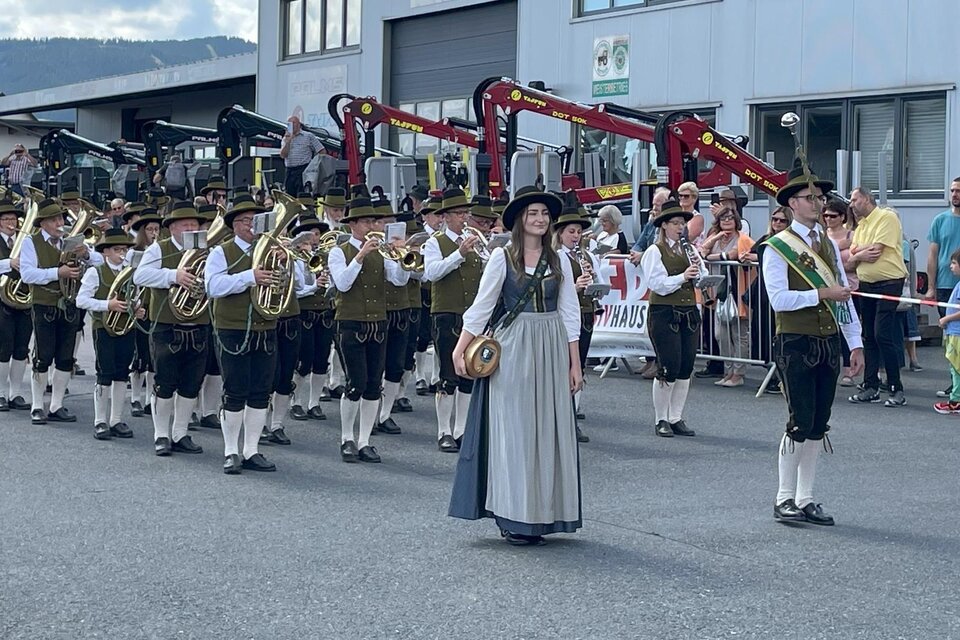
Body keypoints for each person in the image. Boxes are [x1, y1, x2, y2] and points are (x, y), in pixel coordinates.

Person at [448, 186, 582, 547]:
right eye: (532, 213)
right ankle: (513, 514)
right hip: (515, 346)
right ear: (520, 220)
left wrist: (575, 364)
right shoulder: (502, 257)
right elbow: (482, 306)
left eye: (544, 213)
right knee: (515, 433)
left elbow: (570, 313)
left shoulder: (559, 260)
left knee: (548, 431)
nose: (540, 219)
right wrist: (459, 350)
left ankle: (544, 512)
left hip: (551, 344)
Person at [763, 161, 863, 526]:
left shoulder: (828, 245)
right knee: (800, 420)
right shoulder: (777, 247)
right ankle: (783, 497)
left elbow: (844, 298)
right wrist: (821, 293)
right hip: (795, 341)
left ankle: (805, 498)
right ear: (793, 203)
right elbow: (778, 299)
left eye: (820, 197)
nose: (818, 203)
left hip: (828, 341)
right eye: (810, 197)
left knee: (820, 422)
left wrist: (855, 343)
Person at [327, 186, 408, 463]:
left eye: (373, 221)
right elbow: (342, 283)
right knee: (356, 383)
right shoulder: (338, 252)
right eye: (365, 222)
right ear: (352, 225)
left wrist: (403, 258)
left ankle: (364, 441)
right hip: (350, 323)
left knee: (374, 384)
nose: (371, 226)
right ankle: (346, 438)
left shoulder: (381, 252)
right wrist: (360, 256)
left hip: (378, 322)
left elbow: (398, 280)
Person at [205, 194, 281, 474]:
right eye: (246, 220)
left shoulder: (271, 250)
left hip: (266, 326)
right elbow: (213, 287)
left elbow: (294, 287)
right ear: (234, 225)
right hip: (232, 328)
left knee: (261, 392)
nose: (251, 225)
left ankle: (251, 449)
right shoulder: (220, 252)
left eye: (255, 220)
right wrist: (250, 277)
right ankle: (231, 451)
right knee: (235, 391)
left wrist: (285, 265)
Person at [132, 201, 208, 457]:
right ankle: (161, 434)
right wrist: (174, 276)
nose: (191, 229)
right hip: (167, 324)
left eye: (194, 225)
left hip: (198, 323)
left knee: (191, 384)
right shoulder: (158, 249)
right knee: (164, 383)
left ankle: (180, 433)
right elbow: (140, 276)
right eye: (185, 225)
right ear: (172, 228)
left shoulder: (206, 251)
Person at [19, 198, 103, 425]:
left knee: (66, 357)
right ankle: (37, 405)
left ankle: (56, 404)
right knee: (43, 356)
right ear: (43, 223)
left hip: (70, 303)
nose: (59, 223)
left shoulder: (70, 240)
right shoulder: (31, 242)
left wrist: (86, 254)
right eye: (54, 220)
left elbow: (101, 261)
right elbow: (27, 274)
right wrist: (58, 273)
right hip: (44, 303)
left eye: (60, 219)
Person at [423, 187, 483, 454]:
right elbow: (431, 273)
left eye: (465, 213)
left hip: (471, 315)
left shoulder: (475, 240)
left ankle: (461, 429)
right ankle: (443, 431)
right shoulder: (435, 242)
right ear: (446, 216)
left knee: (469, 373)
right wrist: (459, 254)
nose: (464, 218)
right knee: (448, 374)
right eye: (459, 213)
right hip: (446, 313)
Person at [641, 199, 701, 436]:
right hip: (664, 312)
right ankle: (661, 418)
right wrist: (683, 277)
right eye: (675, 223)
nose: (680, 227)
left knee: (686, 366)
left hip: (689, 311)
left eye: (682, 223)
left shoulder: (690, 249)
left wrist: (701, 275)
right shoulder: (654, 251)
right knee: (668, 366)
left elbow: (701, 275)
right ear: (664, 225)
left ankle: (676, 416)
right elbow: (657, 284)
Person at [76, 228, 142, 440]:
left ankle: (116, 419)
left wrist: (138, 309)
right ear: (105, 252)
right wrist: (108, 305)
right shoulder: (95, 272)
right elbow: (81, 300)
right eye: (117, 249)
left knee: (122, 372)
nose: (121, 253)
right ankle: (100, 421)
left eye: (124, 249)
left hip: (127, 327)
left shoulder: (131, 272)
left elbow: (137, 297)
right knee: (105, 373)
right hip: (103, 327)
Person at [847, 187, 908, 407]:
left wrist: (857, 254)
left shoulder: (886, 217)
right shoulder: (861, 225)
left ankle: (895, 387)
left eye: (855, 199)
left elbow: (876, 251)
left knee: (882, 333)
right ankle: (871, 386)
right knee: (868, 336)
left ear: (867, 198)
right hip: (866, 284)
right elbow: (853, 256)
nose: (851, 204)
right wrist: (859, 254)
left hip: (889, 283)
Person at [554, 192, 600, 442]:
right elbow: (554, 293)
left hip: (585, 314)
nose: (576, 236)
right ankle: (562, 418)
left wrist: (593, 282)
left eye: (579, 232)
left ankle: (573, 415)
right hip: (562, 319)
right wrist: (576, 287)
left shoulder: (585, 255)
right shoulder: (556, 256)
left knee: (579, 365)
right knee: (562, 367)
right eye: (571, 231)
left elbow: (600, 285)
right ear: (560, 233)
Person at [701, 206, 754, 387]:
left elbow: (733, 255)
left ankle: (738, 373)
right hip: (719, 294)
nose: (727, 221)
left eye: (730, 217)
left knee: (739, 334)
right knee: (720, 334)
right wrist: (716, 238)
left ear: (736, 220)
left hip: (738, 292)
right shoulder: (716, 238)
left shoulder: (742, 239)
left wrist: (712, 256)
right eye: (723, 218)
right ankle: (728, 370)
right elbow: (702, 252)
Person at [743, 206, 792, 394]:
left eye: (782, 220)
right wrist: (747, 257)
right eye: (775, 219)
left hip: (780, 293)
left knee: (776, 334)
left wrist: (755, 257)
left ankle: (779, 376)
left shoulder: (789, 240)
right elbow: (751, 253)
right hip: (763, 293)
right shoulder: (766, 238)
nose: (777, 223)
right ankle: (771, 373)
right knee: (761, 333)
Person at [290, 212, 333, 421]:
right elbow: (296, 290)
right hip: (304, 313)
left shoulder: (326, 256)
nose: (313, 240)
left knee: (321, 360)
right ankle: (296, 401)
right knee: (303, 361)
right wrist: (315, 285)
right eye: (307, 238)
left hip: (324, 312)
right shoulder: (294, 260)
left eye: (315, 235)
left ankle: (314, 403)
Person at [128, 208, 162, 417]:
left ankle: (150, 397)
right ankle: (135, 398)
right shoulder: (134, 252)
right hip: (139, 303)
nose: (154, 233)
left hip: (155, 305)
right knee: (139, 355)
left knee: (152, 358)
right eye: (150, 229)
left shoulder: (162, 250)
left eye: (156, 229)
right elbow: (129, 281)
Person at [823, 198, 859, 386]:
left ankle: (848, 370)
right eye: (826, 216)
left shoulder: (852, 235)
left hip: (851, 287)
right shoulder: (821, 236)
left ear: (842, 217)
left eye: (833, 216)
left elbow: (855, 262)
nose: (828, 219)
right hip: (828, 289)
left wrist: (841, 262)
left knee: (848, 326)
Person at [0, 198, 31, 411]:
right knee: (3, 347)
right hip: (1, 300)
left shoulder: (25, 241)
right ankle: (1, 392)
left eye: (13, 219)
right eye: (6, 219)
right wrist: (8, 263)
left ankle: (15, 393)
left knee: (21, 347)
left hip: (23, 299)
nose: (11, 223)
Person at [934, 249, 960, 414]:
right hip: (953, 331)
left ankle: (956, 401)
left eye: (954, 263)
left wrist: (946, 319)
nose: (950, 266)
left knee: (956, 368)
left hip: (957, 334)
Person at [280, 115, 324, 196]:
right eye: (289, 124)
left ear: (299, 124)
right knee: (290, 196)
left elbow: (321, 150)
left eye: (294, 123)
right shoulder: (285, 138)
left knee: (303, 195)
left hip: (304, 169)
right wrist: (288, 142)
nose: (292, 125)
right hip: (290, 170)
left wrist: (315, 165)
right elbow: (283, 155)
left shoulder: (308, 136)